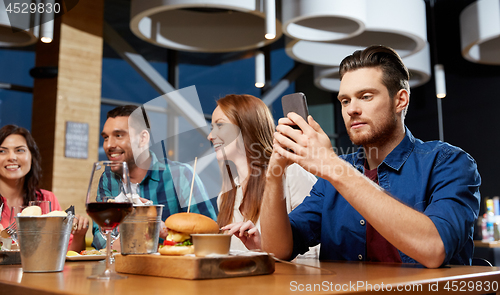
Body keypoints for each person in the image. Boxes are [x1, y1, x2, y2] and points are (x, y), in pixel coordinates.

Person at [259, 45, 481, 268]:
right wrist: (274, 174)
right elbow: (277, 250)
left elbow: (434, 249)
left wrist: (332, 166)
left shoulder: (449, 163)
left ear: (400, 100)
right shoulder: (332, 179)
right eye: (345, 101)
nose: (351, 109)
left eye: (365, 96)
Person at [93, 105, 217, 249]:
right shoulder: (108, 179)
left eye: (119, 135)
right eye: (106, 137)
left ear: (143, 138)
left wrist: (162, 230)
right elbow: (100, 240)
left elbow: (210, 237)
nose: (109, 145)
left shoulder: (180, 175)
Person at [207, 94, 318, 254]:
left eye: (220, 125)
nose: (210, 136)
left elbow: (316, 249)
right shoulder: (225, 196)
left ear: (245, 127)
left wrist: (267, 248)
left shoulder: (290, 174)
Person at [0, 124, 89, 252]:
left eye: (19, 150)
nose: (11, 157)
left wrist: (79, 235)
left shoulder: (47, 199)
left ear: (32, 157)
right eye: (2, 151)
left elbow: (67, 252)